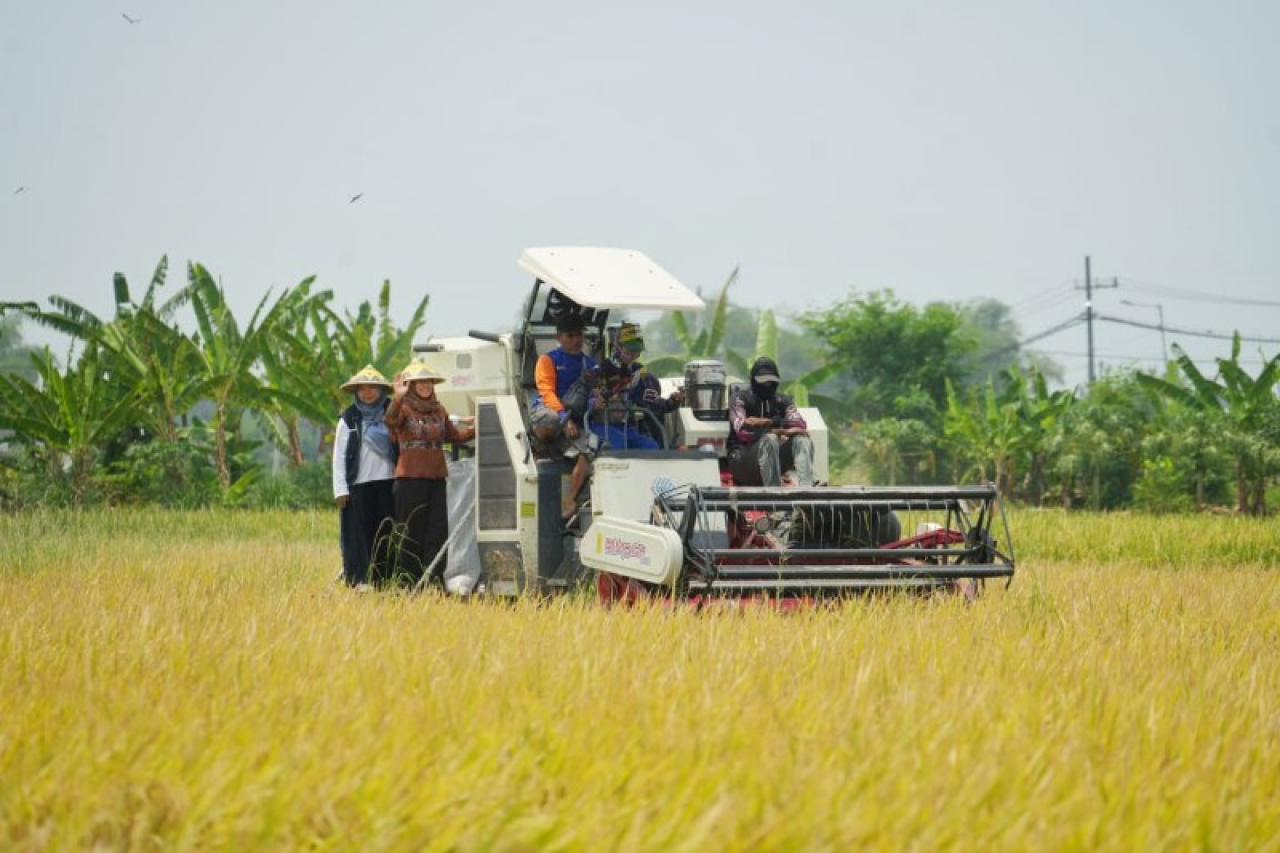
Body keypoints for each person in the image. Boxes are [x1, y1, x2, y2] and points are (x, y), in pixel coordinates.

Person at [384, 361, 476, 589]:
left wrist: (477, 427)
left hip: (436, 478)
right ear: (411, 386)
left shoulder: (439, 409)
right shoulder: (403, 407)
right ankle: (406, 582)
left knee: (437, 531)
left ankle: (433, 582)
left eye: (428, 382)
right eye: (419, 382)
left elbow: (454, 436)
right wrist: (397, 397)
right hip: (410, 478)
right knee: (409, 531)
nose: (425, 386)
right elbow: (390, 420)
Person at [529, 314, 603, 519]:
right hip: (550, 414)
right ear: (559, 337)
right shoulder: (548, 359)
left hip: (574, 423)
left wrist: (595, 402)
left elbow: (594, 393)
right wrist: (564, 418)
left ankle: (569, 500)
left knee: (589, 451)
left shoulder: (590, 364)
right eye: (571, 335)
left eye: (579, 335)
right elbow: (546, 391)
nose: (577, 339)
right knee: (551, 418)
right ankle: (540, 443)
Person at [332, 365, 397, 588]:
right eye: (362, 388)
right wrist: (341, 489)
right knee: (358, 536)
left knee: (386, 534)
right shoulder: (348, 419)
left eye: (372, 388)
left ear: (381, 390)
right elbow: (339, 456)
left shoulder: (392, 413)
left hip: (388, 482)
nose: (367, 393)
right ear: (356, 392)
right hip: (358, 484)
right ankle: (359, 580)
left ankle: (385, 580)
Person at [726, 356, 815, 487]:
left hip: (775, 459)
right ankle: (774, 491)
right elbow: (743, 432)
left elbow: (800, 424)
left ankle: (807, 490)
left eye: (771, 382)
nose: (767, 385)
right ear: (753, 380)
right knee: (770, 438)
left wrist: (767, 422)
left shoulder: (782, 400)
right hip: (742, 460)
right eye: (763, 382)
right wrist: (782, 431)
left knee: (802, 440)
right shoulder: (740, 399)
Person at [597, 322, 680, 449]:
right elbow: (594, 397)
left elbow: (651, 402)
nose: (634, 357)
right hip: (603, 425)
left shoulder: (640, 372)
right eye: (630, 352)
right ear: (617, 347)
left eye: (637, 352)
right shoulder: (602, 368)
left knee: (652, 447)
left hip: (628, 427)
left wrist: (672, 402)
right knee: (618, 444)